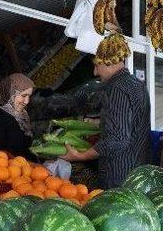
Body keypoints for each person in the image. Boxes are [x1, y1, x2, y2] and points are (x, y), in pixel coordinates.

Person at [60, 39, 150, 189]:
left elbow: (117, 138)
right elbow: (131, 127)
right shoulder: (138, 85)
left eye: (97, 65)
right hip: (136, 175)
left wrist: (81, 156)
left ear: (109, 61)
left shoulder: (116, 88)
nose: (95, 72)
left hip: (118, 176)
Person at [0, 73, 36, 160]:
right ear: (10, 92)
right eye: (23, 96)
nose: (27, 101)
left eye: (29, 96)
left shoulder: (21, 114)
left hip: (23, 168)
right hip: (4, 170)